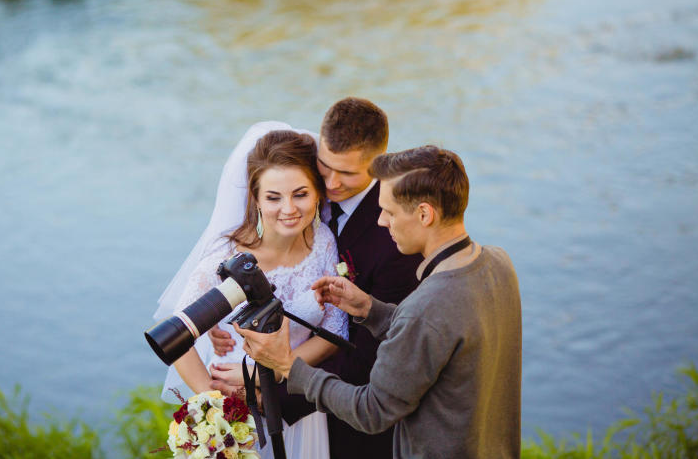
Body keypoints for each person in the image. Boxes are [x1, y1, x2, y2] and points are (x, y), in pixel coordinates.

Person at [234, 145, 522, 459]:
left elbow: (371, 411)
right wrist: (371, 310)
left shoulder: (425, 309)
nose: (382, 221)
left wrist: (289, 366)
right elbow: (437, 334)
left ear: (424, 214)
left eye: (389, 211)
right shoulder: (497, 262)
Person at [208, 98, 421, 459]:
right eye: (325, 166)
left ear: (379, 164)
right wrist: (219, 315)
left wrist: (268, 388)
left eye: (348, 174)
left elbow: (369, 357)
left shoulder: (396, 241)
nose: (332, 183)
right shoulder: (303, 193)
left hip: (343, 419)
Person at [152, 123, 348, 459]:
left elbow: (332, 333)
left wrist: (266, 373)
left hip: (298, 407)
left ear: (318, 192)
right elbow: (176, 337)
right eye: (273, 197)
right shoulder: (228, 257)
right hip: (237, 409)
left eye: (300, 194)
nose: (288, 209)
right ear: (255, 198)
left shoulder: (325, 245)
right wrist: (214, 407)